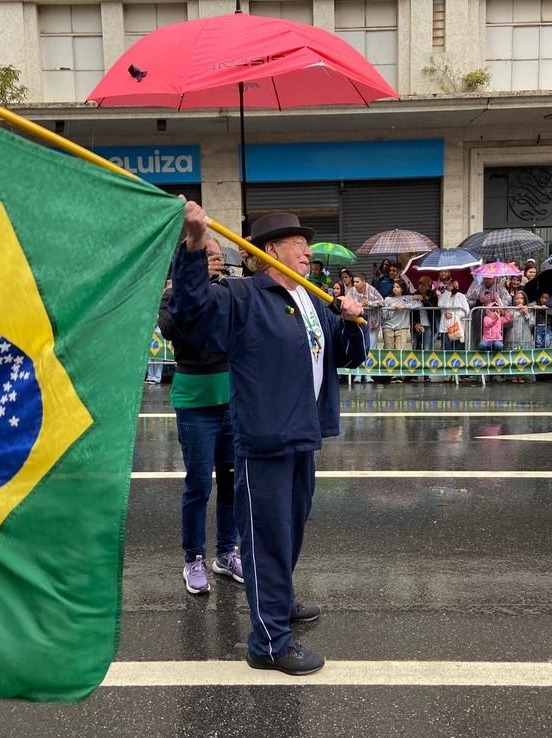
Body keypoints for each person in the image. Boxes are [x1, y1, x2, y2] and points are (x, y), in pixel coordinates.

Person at [170, 205, 366, 676]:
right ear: (271, 251)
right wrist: (194, 245)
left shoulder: (311, 298)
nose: (307, 251)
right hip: (265, 438)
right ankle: (269, 641)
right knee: (266, 539)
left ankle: (278, 600)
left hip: (304, 434)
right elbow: (190, 314)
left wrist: (352, 320)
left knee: (290, 530)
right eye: (298, 243)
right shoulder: (242, 295)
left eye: (307, 244)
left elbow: (348, 355)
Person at [159, 238, 241, 594]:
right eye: (205, 255)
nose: (215, 260)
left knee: (232, 481)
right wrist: (192, 285)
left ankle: (226, 552)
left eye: (217, 255)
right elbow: (173, 329)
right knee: (198, 484)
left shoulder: (230, 293)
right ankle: (193, 557)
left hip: (231, 399)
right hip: (194, 402)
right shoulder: (172, 296)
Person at [409, 275, 439, 359]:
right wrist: (414, 324)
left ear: (429, 286)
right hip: (417, 325)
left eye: (424, 285)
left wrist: (423, 299)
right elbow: (410, 312)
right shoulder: (414, 295)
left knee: (427, 348)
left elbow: (433, 308)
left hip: (428, 325)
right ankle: (415, 364)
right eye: (420, 284)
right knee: (415, 347)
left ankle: (426, 364)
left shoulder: (433, 296)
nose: (421, 287)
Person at [380, 279, 413, 355]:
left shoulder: (407, 298)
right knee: (389, 352)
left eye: (397, 287)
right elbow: (384, 315)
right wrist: (393, 308)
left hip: (402, 328)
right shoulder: (388, 299)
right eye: (394, 287)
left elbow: (418, 304)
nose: (395, 289)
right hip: (388, 327)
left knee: (399, 352)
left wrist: (405, 306)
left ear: (402, 289)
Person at [436, 279, 469, 350]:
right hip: (445, 327)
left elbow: (466, 311)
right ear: (448, 286)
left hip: (457, 327)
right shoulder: (444, 296)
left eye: (457, 286)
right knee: (447, 350)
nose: (455, 288)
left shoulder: (461, 296)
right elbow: (440, 305)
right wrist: (448, 293)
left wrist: (453, 315)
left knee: (458, 351)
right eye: (453, 286)